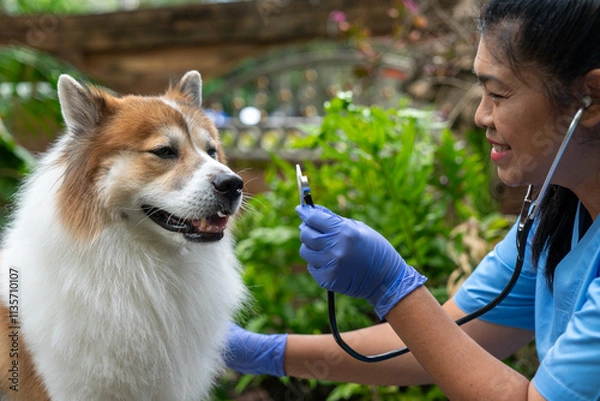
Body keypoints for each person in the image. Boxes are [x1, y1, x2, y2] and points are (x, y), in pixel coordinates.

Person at [224, 0, 600, 399]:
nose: (480, 115)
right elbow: (447, 340)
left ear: (590, 97)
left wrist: (391, 286)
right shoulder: (558, 217)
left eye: (499, 94)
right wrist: (258, 351)